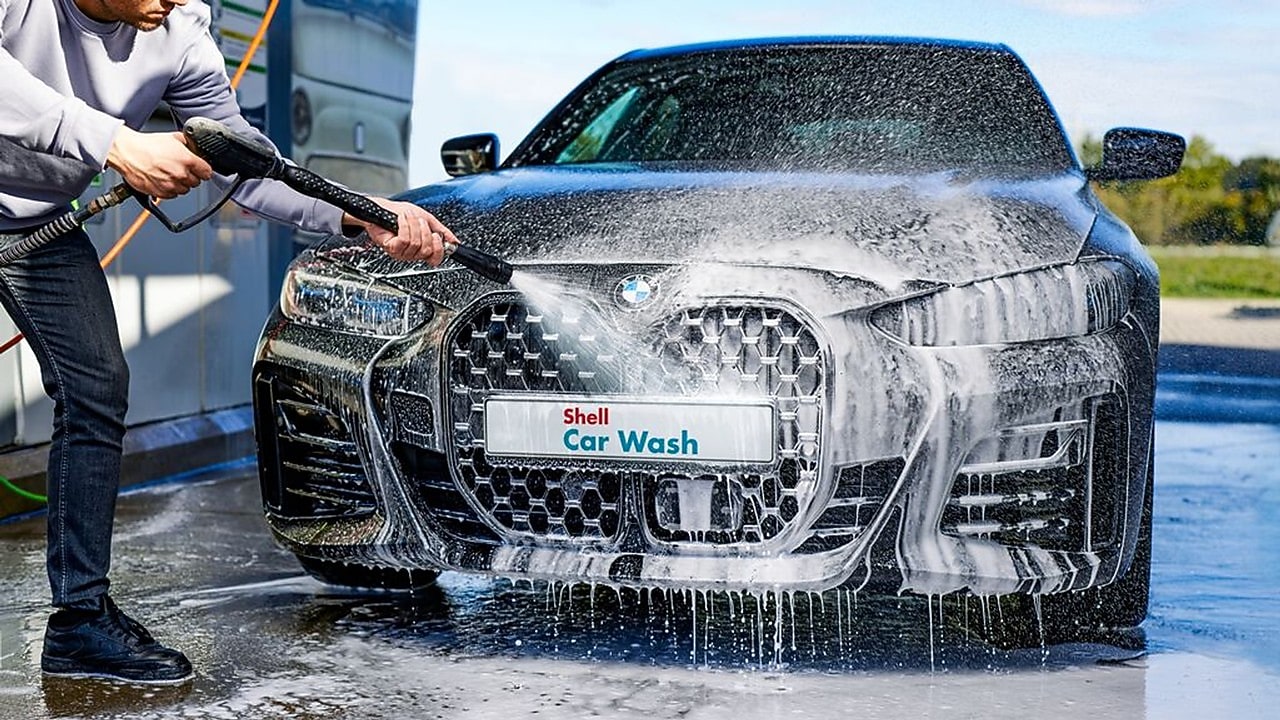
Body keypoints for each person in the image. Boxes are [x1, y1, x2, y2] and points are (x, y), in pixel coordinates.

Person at [0, 0, 457, 684]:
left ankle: (79, 623)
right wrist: (116, 144)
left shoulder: (181, 28)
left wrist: (362, 214)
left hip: (32, 224)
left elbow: (245, 163)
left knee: (96, 387)